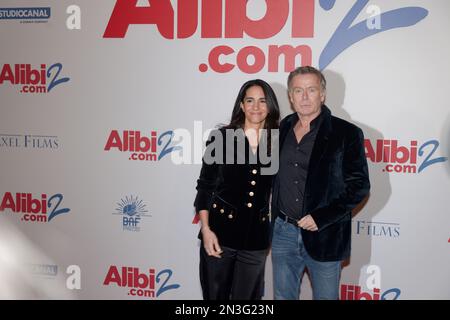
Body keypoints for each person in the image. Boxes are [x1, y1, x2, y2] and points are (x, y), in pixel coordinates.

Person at [271, 66, 370, 300]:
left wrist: (321, 217)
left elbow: (359, 186)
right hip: (282, 231)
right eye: (298, 90)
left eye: (311, 90)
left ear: (322, 94)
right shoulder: (282, 128)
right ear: (290, 96)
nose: (304, 97)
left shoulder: (346, 133)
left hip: (325, 234)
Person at [194, 79, 280, 300]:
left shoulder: (278, 141)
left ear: (270, 106)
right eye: (250, 100)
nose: (256, 107)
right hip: (219, 235)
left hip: (256, 240)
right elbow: (205, 186)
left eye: (262, 101)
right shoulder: (222, 138)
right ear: (241, 105)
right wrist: (206, 230)